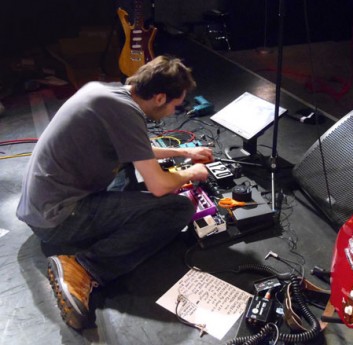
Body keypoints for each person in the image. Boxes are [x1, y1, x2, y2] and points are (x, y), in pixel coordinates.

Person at [16, 55, 214, 331]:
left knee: (127, 169)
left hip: (40, 206)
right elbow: (158, 185)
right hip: (57, 220)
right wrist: (192, 173)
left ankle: (108, 232)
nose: (173, 112)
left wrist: (184, 152)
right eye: (175, 105)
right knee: (178, 208)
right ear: (159, 97)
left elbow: (133, 146)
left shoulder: (107, 92)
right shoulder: (126, 112)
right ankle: (85, 267)